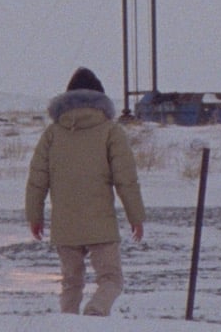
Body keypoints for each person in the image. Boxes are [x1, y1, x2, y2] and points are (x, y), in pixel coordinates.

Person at [25, 67, 146, 316]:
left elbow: (37, 180)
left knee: (71, 283)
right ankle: (96, 311)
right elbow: (126, 179)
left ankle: (68, 324)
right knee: (111, 279)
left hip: (65, 223)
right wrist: (136, 216)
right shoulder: (111, 131)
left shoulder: (52, 133)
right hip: (100, 223)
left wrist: (34, 216)